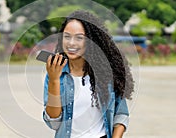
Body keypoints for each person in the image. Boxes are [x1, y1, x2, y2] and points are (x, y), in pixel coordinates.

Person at [43, 10, 134, 138]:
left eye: (79, 38)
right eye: (67, 36)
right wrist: (54, 80)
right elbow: (54, 123)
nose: (71, 43)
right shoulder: (55, 74)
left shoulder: (106, 73)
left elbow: (121, 113)